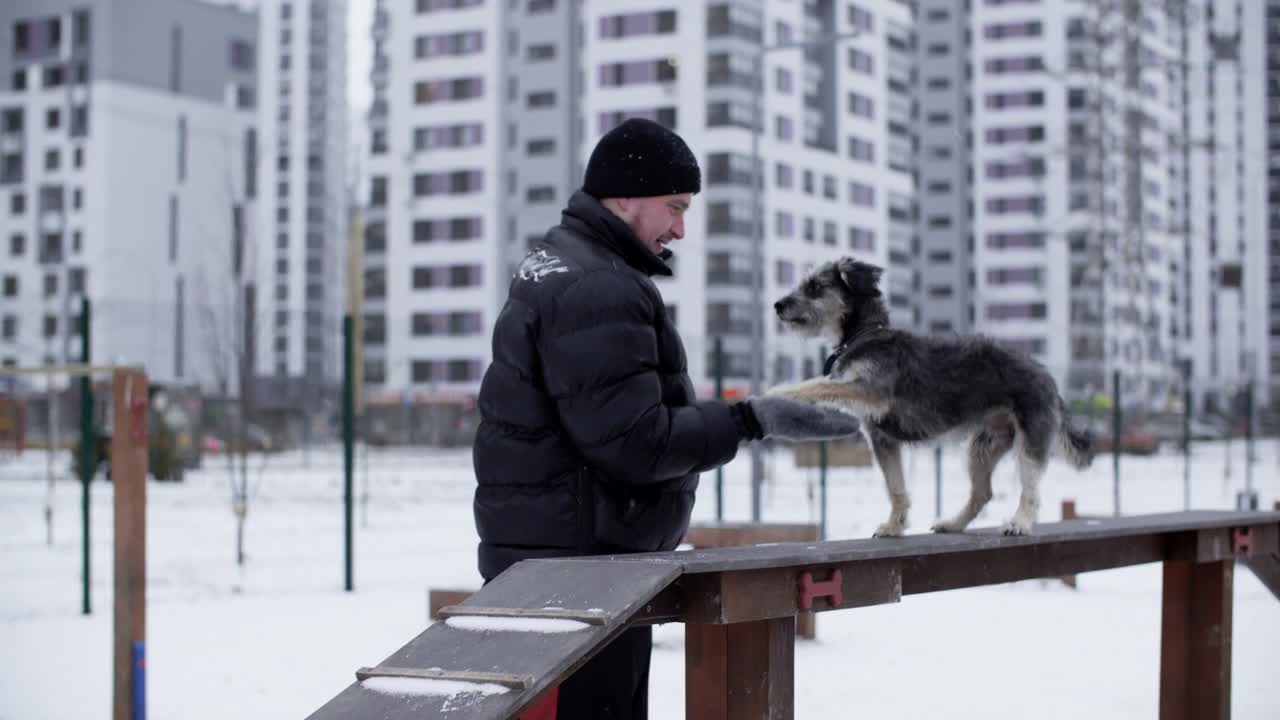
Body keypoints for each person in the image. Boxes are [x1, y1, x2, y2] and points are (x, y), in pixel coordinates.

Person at [472, 118, 857, 719]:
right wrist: (754, 418)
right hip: (581, 581)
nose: (680, 228)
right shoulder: (597, 286)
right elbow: (635, 443)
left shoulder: (562, 264)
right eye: (673, 207)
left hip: (565, 571)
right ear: (624, 196)